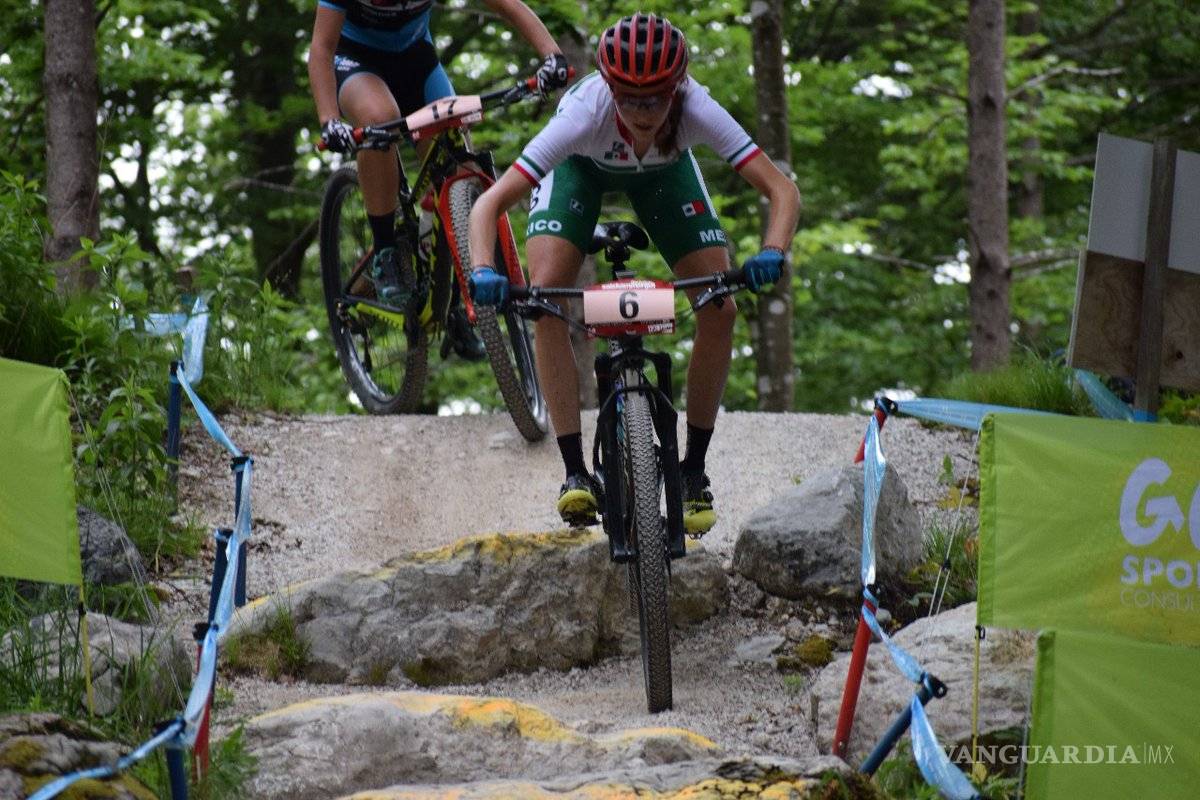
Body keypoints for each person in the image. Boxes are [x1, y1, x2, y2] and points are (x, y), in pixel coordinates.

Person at [466, 14, 801, 534]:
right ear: (609, 88)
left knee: (720, 307)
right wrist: (483, 269)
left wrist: (773, 251)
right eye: (629, 99)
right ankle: (574, 472)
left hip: (665, 172)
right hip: (579, 169)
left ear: (677, 88)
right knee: (545, 302)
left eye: (655, 99)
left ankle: (693, 471)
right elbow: (487, 205)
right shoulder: (583, 115)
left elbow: (782, 190)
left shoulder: (696, 107)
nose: (643, 112)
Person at [309, 0, 569, 358]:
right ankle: (386, 251)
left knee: (457, 159)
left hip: (416, 61)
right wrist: (329, 120)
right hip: (355, 62)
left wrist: (552, 57)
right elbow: (322, 47)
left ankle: (456, 297)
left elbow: (507, 5)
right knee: (379, 119)